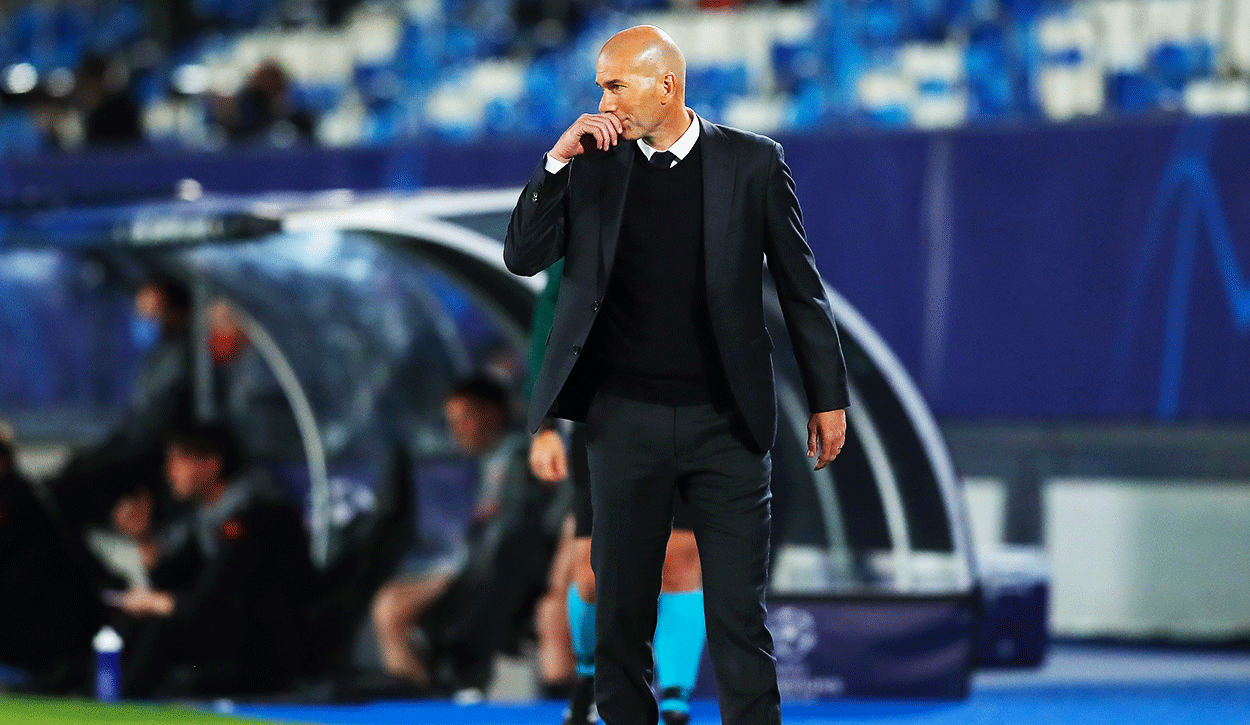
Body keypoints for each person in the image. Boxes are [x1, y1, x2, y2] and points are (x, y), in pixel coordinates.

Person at [504, 25, 850, 725]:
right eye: (600, 86)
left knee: (739, 620)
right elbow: (523, 256)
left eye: (615, 85)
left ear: (666, 85)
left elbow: (801, 288)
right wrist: (556, 161)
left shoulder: (753, 163)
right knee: (621, 618)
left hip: (728, 425)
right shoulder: (591, 164)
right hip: (621, 422)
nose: (603, 100)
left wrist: (828, 397)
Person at [528, 262, 706, 725]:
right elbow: (553, 315)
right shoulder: (590, 224)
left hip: (691, 405)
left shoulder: (707, 220)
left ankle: (675, 696)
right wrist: (544, 422)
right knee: (591, 572)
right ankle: (590, 677)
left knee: (680, 556)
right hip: (604, 412)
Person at [372, 375, 556, 691]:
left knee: (390, 610)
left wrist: (458, 578)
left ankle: (423, 697)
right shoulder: (492, 462)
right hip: (477, 574)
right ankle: (421, 690)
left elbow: (512, 543)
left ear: (492, 414)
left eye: (463, 419)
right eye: (452, 422)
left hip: (488, 581)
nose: (456, 430)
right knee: (389, 605)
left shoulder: (514, 461)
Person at [115, 421, 316, 698]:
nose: (169, 472)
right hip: (230, 635)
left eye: (179, 460)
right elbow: (177, 582)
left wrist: (155, 602)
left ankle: (119, 704)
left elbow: (211, 599)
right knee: (132, 625)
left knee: (161, 630)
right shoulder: (208, 518)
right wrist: (144, 538)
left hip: (265, 648)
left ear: (212, 463)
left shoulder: (252, 515)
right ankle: (96, 695)